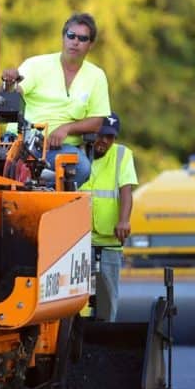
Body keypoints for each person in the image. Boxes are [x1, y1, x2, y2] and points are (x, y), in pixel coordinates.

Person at [1, 12, 110, 187]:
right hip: (22, 144)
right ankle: (34, 182)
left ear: (91, 44)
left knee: (82, 167)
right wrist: (9, 84)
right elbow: (12, 95)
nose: (75, 41)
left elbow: (97, 122)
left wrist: (66, 128)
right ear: (63, 37)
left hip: (59, 150)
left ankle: (37, 186)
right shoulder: (36, 65)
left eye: (82, 38)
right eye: (71, 35)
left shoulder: (96, 76)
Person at [79, 111, 138, 322]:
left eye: (110, 136)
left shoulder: (122, 154)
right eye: (100, 134)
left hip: (110, 240)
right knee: (79, 297)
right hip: (80, 239)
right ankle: (78, 335)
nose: (104, 140)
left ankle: (104, 333)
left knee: (107, 298)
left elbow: (126, 191)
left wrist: (124, 221)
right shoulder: (77, 154)